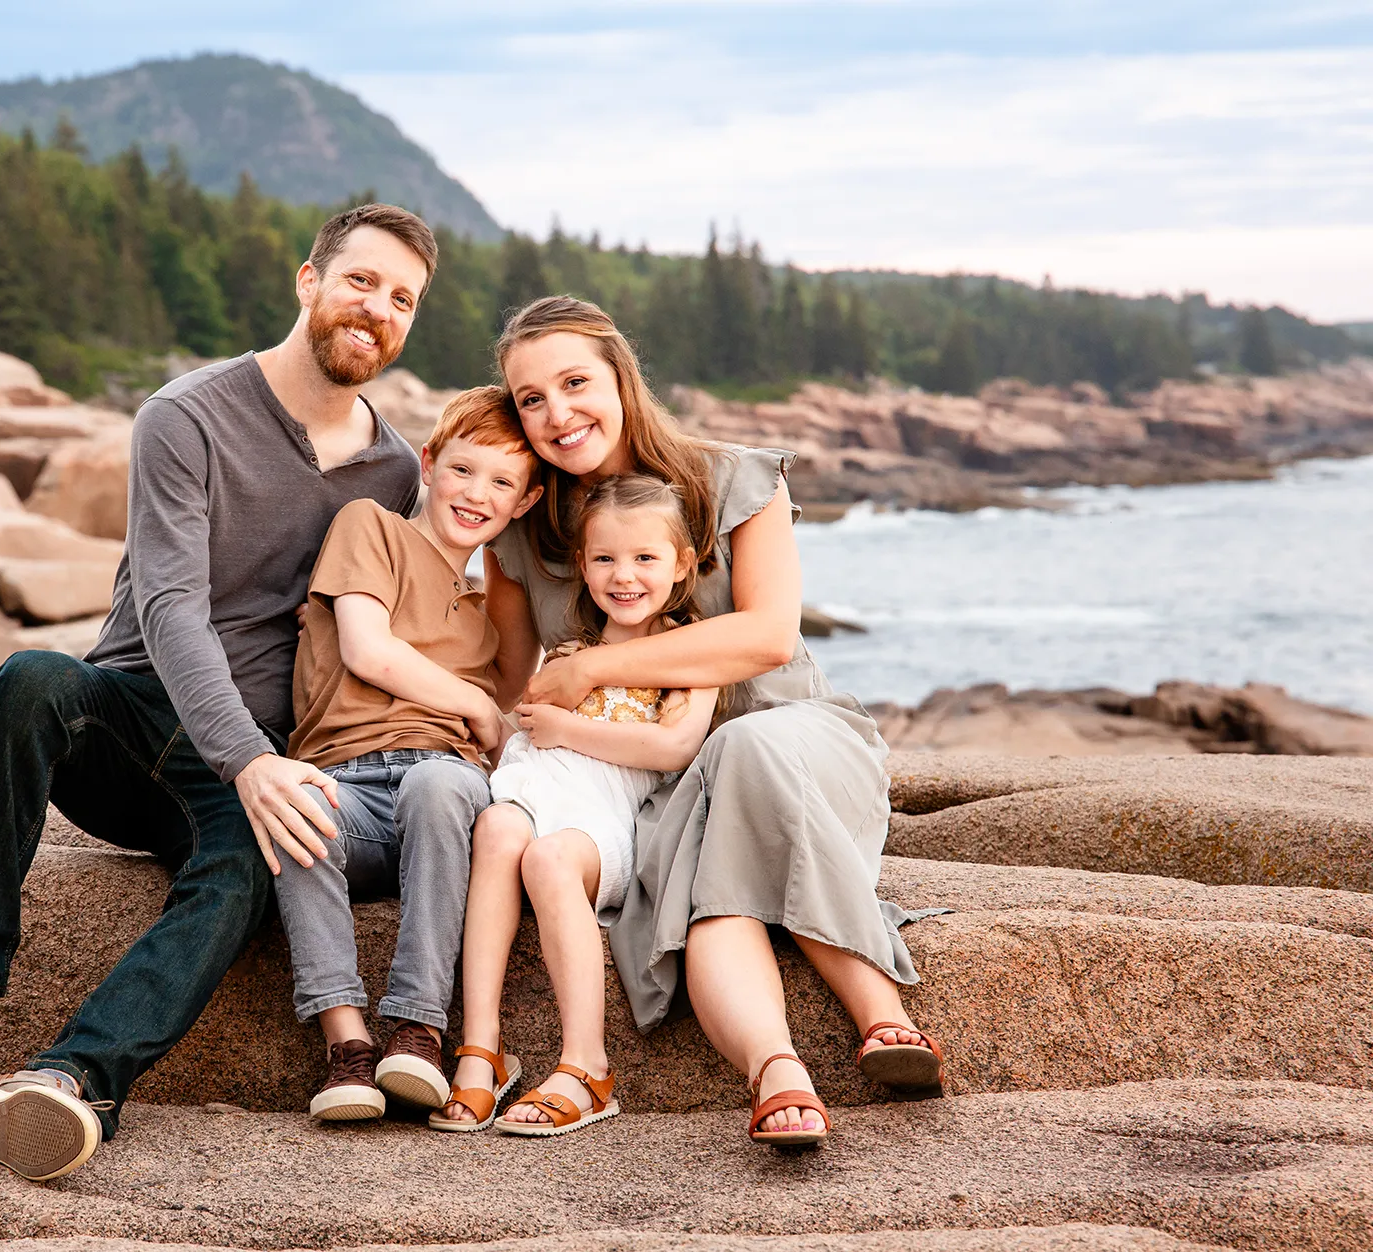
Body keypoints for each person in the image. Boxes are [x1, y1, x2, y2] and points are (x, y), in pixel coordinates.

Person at [0, 203, 438, 1181]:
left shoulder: (397, 468)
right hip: (126, 723)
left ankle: (74, 1080)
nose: (377, 308)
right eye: (361, 280)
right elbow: (168, 605)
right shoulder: (187, 414)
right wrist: (248, 757)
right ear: (308, 281)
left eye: (403, 298)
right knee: (30, 679)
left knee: (256, 857)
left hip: (257, 765)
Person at [469, 295, 945, 1148]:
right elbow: (506, 685)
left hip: (796, 742)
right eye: (531, 398)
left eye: (576, 382)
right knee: (712, 906)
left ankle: (879, 1008)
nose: (557, 412)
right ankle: (777, 1072)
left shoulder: (735, 481)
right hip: (656, 788)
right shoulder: (526, 537)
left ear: (622, 376)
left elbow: (768, 636)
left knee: (744, 742)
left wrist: (594, 667)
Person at [274, 386, 542, 1123]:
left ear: (523, 503)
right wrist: (477, 704)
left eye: (502, 484)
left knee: (436, 785)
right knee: (296, 807)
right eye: (463, 470)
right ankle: (348, 1046)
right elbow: (367, 650)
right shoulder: (371, 529)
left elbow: (521, 693)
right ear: (428, 463)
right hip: (348, 783)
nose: (476, 494)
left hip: (442, 794)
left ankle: (418, 1030)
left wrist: (513, 556)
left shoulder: (496, 606)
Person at [430, 474, 718, 1136]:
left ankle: (586, 1065)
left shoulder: (689, 653)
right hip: (538, 789)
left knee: (550, 860)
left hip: (605, 822)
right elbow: (523, 717)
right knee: (498, 827)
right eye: (605, 559)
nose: (625, 576)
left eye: (645, 558)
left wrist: (568, 729)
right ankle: (481, 1049)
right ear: (582, 565)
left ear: (680, 564)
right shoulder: (571, 653)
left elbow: (673, 746)